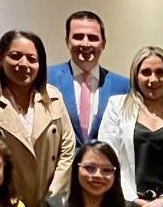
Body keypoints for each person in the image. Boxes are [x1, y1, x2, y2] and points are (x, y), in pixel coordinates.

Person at [0, 29, 76, 207]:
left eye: (32, 59)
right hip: (0, 206)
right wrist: (6, 201)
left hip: (48, 206)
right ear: (0, 58)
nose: (24, 64)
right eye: (15, 56)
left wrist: (52, 198)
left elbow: (67, 148)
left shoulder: (54, 97)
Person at [99, 46, 163, 204]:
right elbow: (107, 159)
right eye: (146, 72)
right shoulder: (116, 106)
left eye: (160, 72)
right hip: (126, 204)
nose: (153, 79)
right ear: (135, 76)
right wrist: (133, 200)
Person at [48, 10, 131, 145]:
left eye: (93, 38)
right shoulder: (47, 79)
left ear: (103, 43)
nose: (85, 44)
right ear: (67, 41)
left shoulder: (123, 87)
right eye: (78, 37)